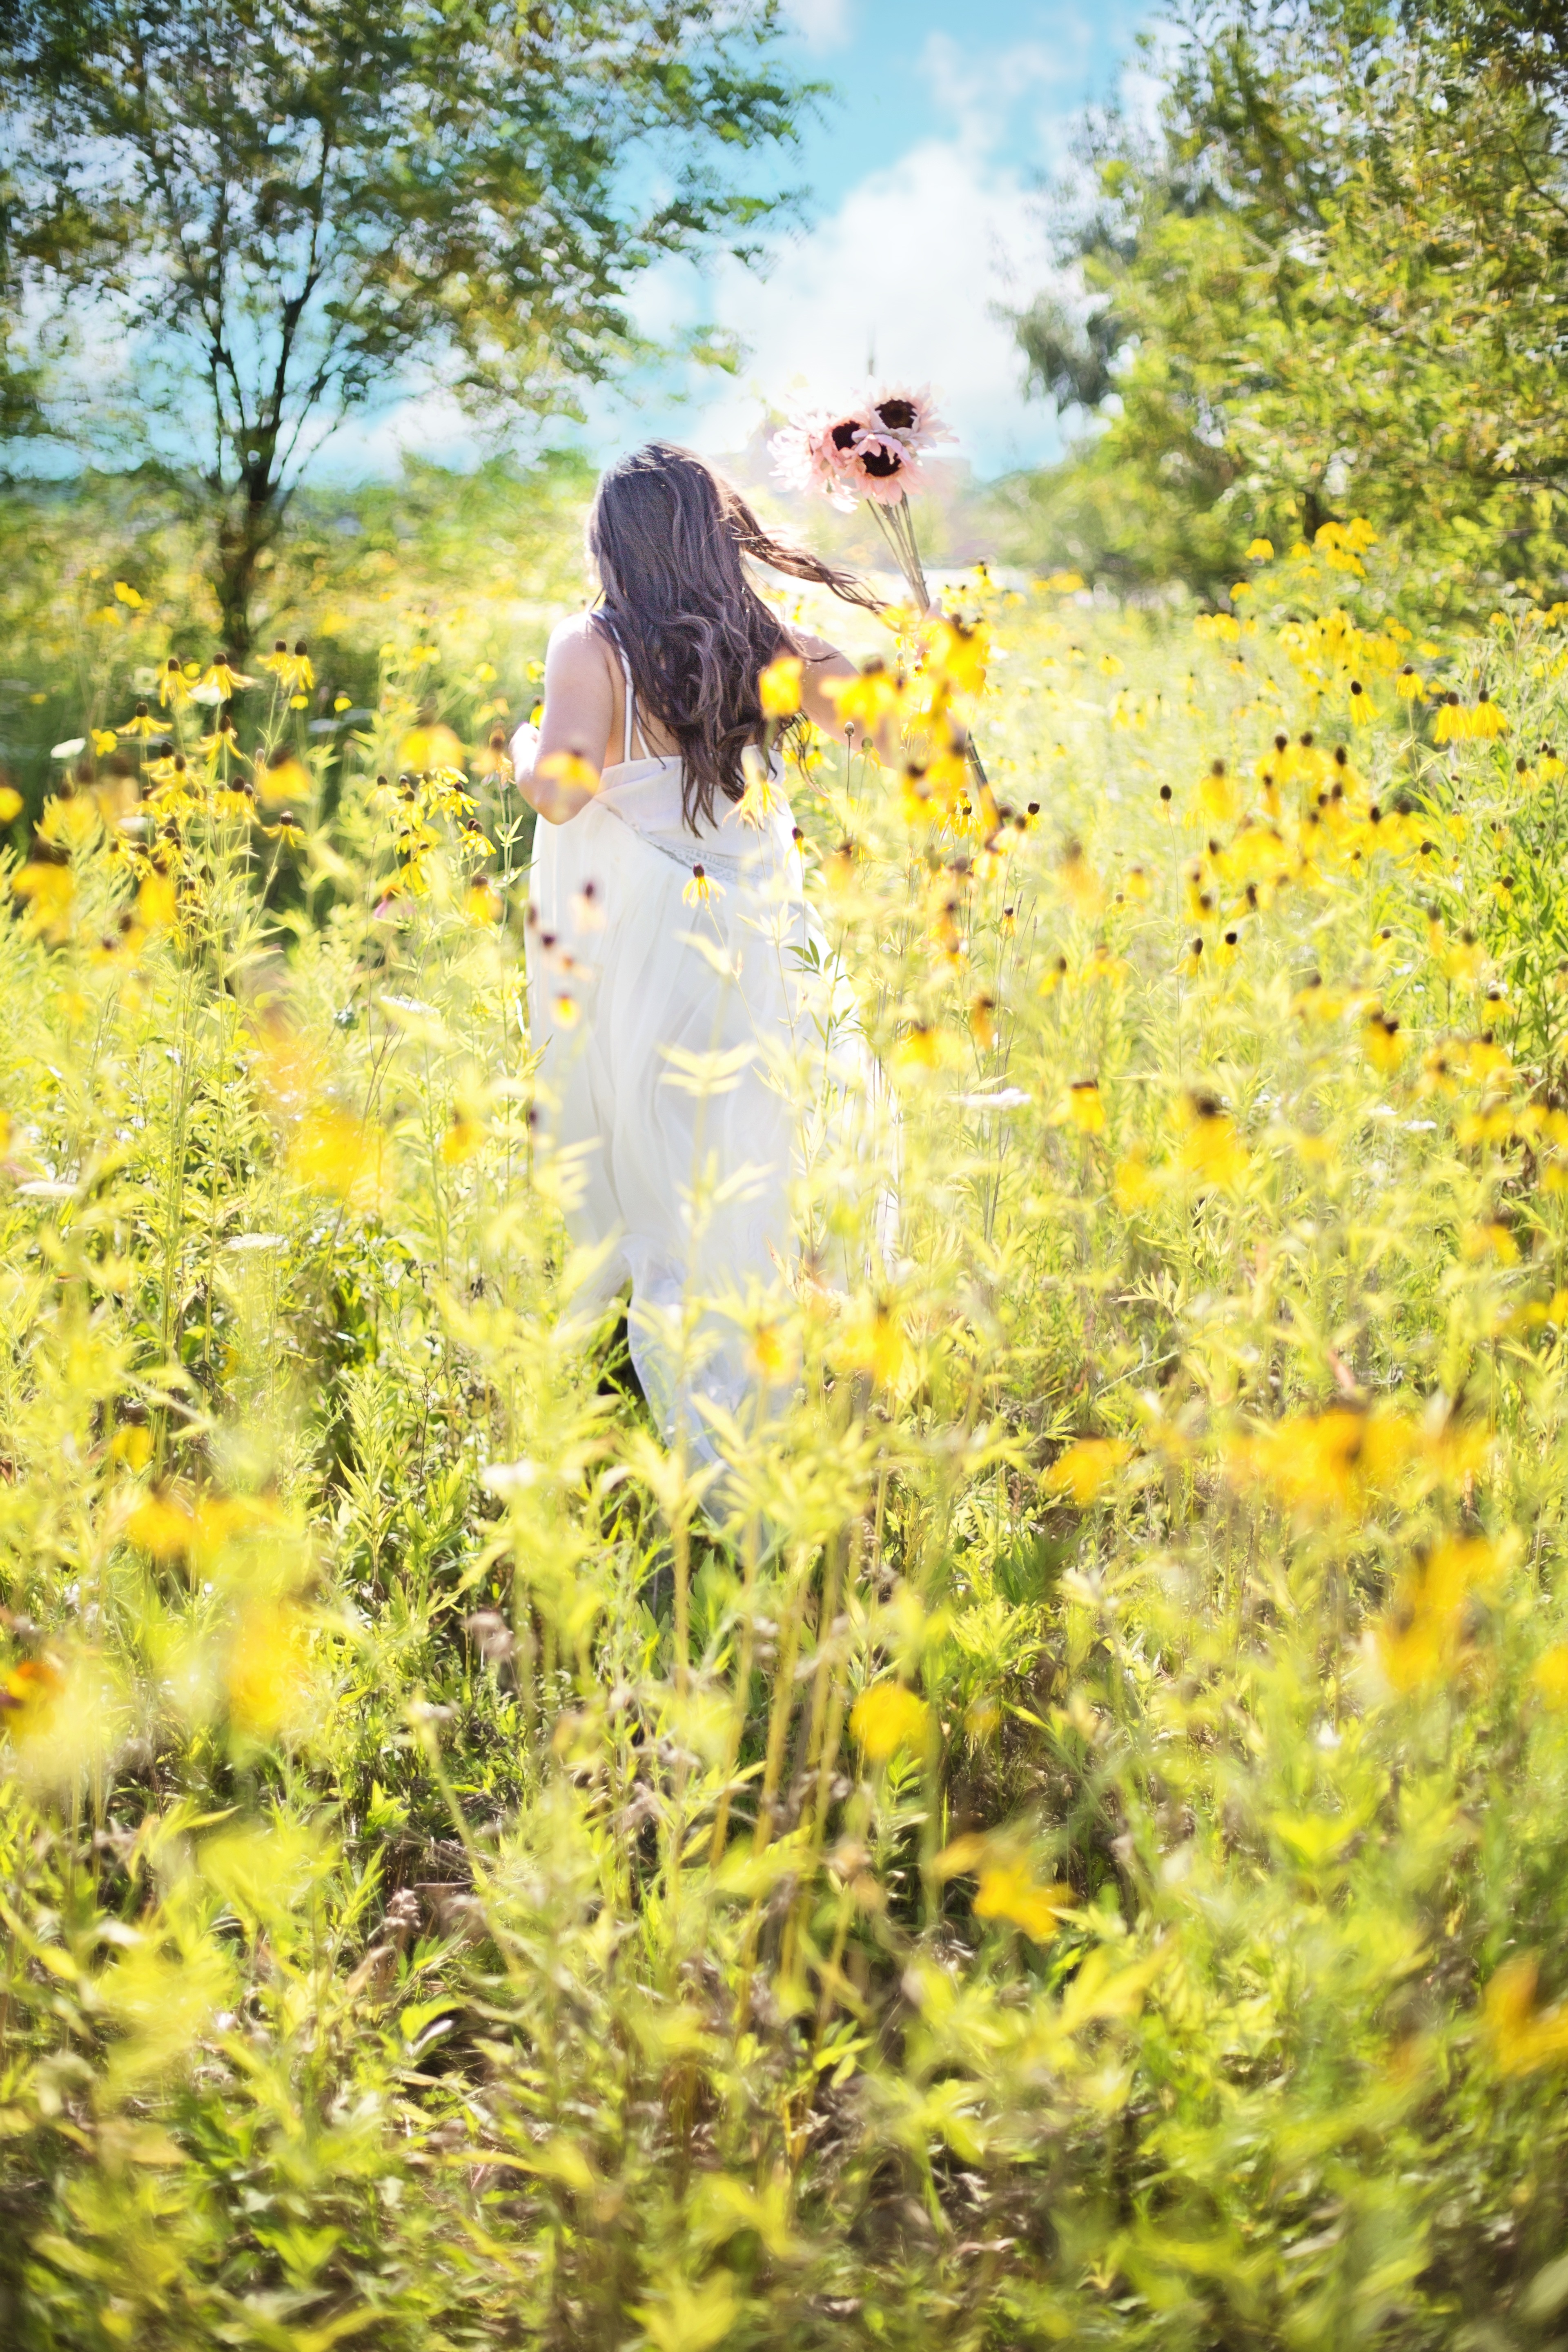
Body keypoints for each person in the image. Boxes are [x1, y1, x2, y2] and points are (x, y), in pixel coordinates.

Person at [511, 441, 895, 1496]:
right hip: (762, 942)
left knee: (669, 1188)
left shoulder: (589, 645)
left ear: (612, 546)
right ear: (713, 542)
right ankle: (780, 1410)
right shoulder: (762, 643)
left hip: (652, 956)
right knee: (756, 1174)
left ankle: (709, 1453)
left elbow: (562, 793)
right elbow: (892, 734)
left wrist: (524, 747)